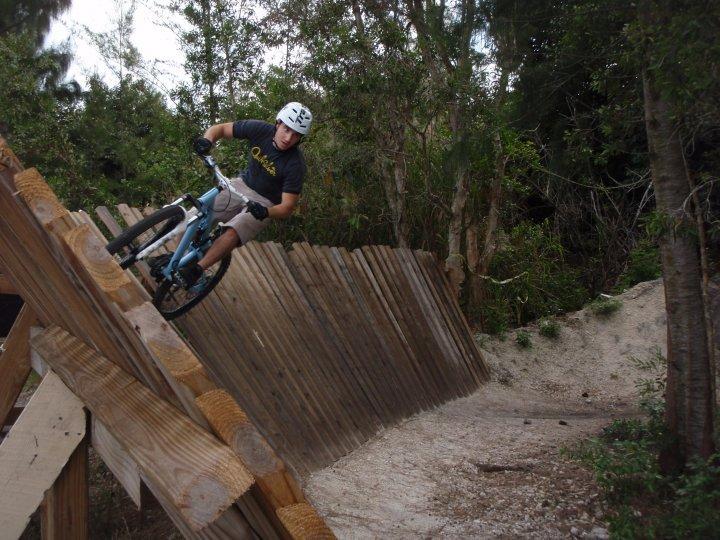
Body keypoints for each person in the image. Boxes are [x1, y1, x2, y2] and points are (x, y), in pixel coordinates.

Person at [178, 102, 312, 287]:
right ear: (278, 123)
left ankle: (196, 270)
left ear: (300, 139)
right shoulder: (260, 129)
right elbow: (221, 129)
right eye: (287, 129)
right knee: (195, 216)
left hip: (266, 203)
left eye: (296, 134)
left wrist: (266, 212)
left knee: (235, 230)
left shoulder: (295, 165)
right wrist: (207, 140)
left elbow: (287, 207)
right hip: (241, 185)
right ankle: (174, 259)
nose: (288, 138)